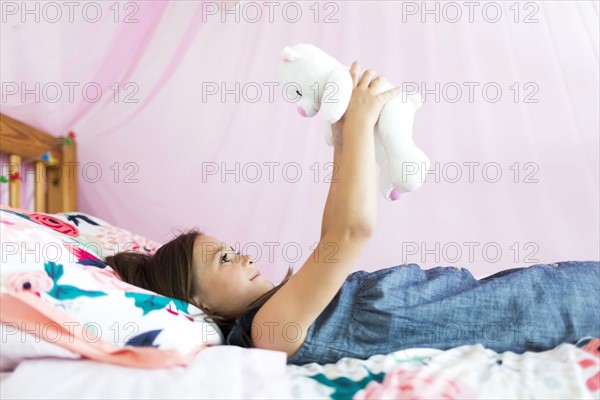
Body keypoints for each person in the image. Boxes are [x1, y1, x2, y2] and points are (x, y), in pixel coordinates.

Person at [106, 62, 600, 366]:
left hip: (520, 291)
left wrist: (344, 135)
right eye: (222, 261)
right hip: (534, 309)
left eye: (230, 250)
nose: (242, 256)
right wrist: (361, 120)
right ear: (199, 305)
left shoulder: (290, 308)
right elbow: (349, 230)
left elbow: (334, 229)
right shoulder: (270, 330)